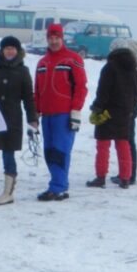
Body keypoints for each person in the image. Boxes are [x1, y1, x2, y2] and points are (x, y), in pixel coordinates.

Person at [0, 34, 37, 206]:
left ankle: (7, 193)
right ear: (2, 51)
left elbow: (28, 97)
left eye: (13, 48)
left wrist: (32, 117)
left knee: (8, 155)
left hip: (12, 118)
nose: (10, 51)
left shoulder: (23, 71)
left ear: (17, 51)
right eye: (7, 48)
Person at [34, 23, 87, 201]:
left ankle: (59, 187)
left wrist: (76, 110)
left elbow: (81, 87)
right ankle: (57, 184)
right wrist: (35, 112)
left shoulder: (73, 59)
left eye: (57, 38)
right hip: (47, 115)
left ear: (62, 38)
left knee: (60, 150)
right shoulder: (42, 62)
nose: (54, 41)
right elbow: (37, 89)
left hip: (64, 115)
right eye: (51, 38)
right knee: (49, 151)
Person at [84, 39, 137, 190]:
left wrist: (97, 107)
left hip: (107, 112)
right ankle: (125, 179)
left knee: (103, 145)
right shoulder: (133, 68)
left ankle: (100, 177)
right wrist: (132, 108)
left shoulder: (110, 67)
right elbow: (136, 91)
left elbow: (103, 91)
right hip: (125, 113)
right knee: (123, 144)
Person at [108, 37, 137, 186]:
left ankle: (129, 174)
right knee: (127, 141)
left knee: (127, 141)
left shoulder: (130, 67)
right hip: (131, 107)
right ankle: (127, 173)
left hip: (128, 108)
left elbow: (134, 90)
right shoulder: (132, 65)